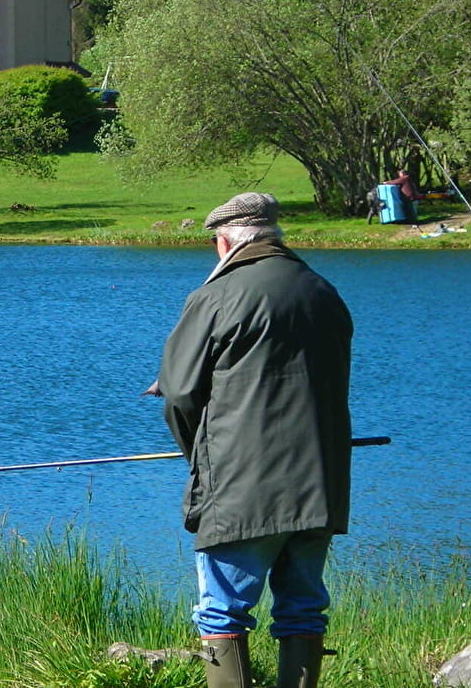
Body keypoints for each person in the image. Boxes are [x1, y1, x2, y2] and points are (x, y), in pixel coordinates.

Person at [147, 192, 353, 688]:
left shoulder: (216, 297)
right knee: (303, 610)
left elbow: (178, 394)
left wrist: (198, 454)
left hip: (240, 488)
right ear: (273, 237)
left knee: (223, 613)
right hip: (320, 483)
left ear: (225, 243)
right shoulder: (323, 292)